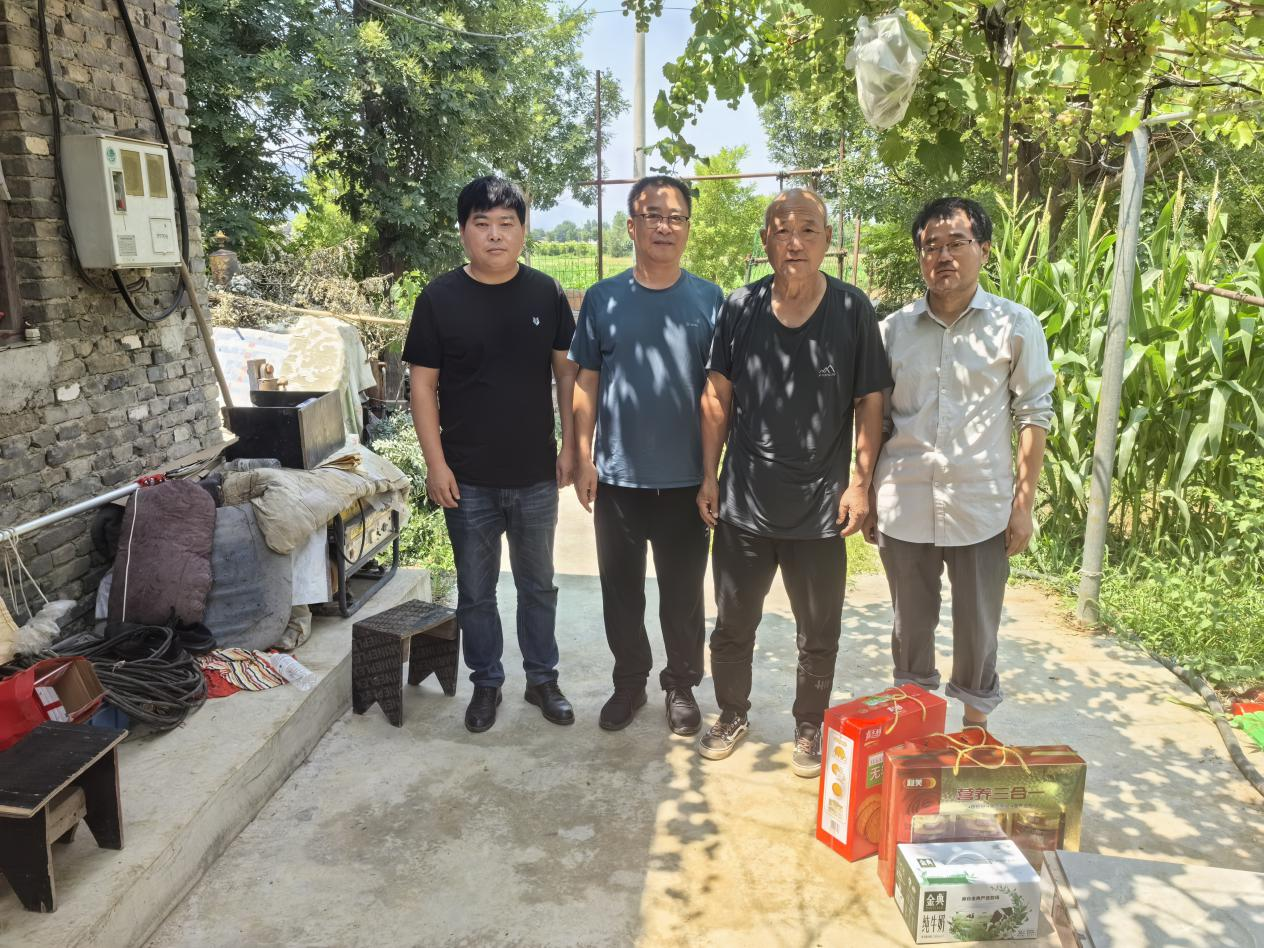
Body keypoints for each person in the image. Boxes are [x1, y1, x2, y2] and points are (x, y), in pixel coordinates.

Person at [695, 188, 890, 778]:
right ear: (766, 241)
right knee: (733, 626)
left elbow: (870, 401)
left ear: (827, 240)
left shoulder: (852, 311)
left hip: (820, 510)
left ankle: (809, 725)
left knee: (818, 632)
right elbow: (717, 398)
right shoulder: (741, 308)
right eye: (782, 230)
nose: (795, 241)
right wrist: (708, 476)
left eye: (808, 229)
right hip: (744, 504)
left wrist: (861, 483)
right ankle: (732, 713)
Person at [864, 197, 1054, 731]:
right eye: (931, 246)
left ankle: (974, 732)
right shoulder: (893, 331)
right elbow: (877, 420)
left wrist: (1023, 506)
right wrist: (868, 492)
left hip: (980, 507)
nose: (943, 256)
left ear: (984, 250)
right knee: (909, 628)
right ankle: (913, 729)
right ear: (920, 256)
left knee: (978, 627)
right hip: (904, 503)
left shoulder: (1014, 325)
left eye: (956, 244)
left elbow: (1033, 414)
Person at [404, 175, 578, 734]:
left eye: (507, 223)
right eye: (483, 223)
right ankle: (486, 682)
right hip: (467, 478)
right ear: (463, 231)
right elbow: (422, 387)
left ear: (523, 231)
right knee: (476, 593)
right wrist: (436, 465)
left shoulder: (546, 293)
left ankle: (542, 679)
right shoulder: (439, 299)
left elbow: (566, 376)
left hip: (534, 475)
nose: (496, 235)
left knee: (538, 587)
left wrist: (572, 446)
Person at [570, 175, 725, 735]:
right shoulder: (603, 298)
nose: (664, 226)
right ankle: (629, 683)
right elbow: (586, 379)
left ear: (687, 228)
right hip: (619, 479)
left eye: (675, 217)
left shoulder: (710, 300)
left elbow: (717, 392)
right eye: (652, 215)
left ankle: (681, 685)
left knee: (683, 597)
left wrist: (711, 474)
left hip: (686, 482)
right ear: (631, 226)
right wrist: (583, 456)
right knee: (621, 593)